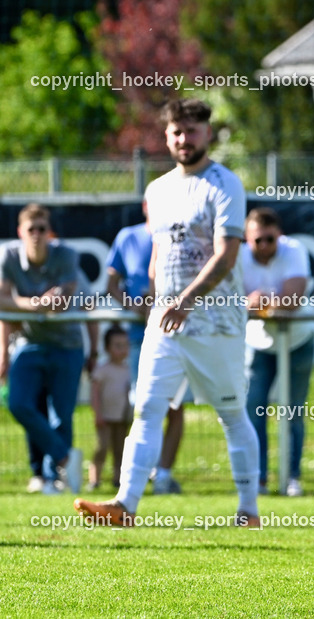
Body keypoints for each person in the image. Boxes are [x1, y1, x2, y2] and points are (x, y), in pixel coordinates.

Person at [74, 97, 261, 528]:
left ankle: (248, 510)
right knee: (147, 410)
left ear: (207, 134)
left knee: (231, 414)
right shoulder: (157, 190)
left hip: (216, 322)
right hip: (166, 322)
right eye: (176, 131)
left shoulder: (224, 184)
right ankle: (125, 505)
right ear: (166, 136)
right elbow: (159, 255)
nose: (183, 138)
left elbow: (227, 256)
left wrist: (187, 300)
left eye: (192, 130)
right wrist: (156, 303)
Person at [0, 204, 85, 495]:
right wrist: (35, 304)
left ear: (49, 232)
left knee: (61, 414)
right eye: (31, 229)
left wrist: (31, 302)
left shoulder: (66, 254)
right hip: (29, 343)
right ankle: (64, 458)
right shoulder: (8, 256)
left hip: (67, 344)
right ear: (20, 232)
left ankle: (53, 480)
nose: (37, 235)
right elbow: (2, 301)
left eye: (42, 229)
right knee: (20, 404)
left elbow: (63, 300)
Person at [106, 202, 186, 495]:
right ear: (145, 206)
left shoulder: (183, 235)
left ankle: (163, 475)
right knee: (140, 407)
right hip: (139, 338)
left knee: (174, 406)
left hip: (176, 334)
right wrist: (133, 305)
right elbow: (112, 283)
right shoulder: (128, 237)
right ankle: (129, 478)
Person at [241, 207, 314, 497]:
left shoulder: (294, 249)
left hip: (297, 341)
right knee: (253, 409)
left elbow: (294, 299)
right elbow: (227, 298)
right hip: (259, 343)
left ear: (279, 236)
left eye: (269, 239)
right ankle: (258, 478)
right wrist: (257, 302)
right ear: (247, 239)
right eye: (257, 240)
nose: (263, 246)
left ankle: (291, 476)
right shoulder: (236, 256)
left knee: (292, 410)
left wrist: (261, 300)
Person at [88, 324, 133, 490]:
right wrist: (97, 413)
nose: (123, 350)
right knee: (102, 448)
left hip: (123, 418)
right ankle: (94, 479)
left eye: (125, 345)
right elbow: (95, 393)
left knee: (120, 450)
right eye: (118, 346)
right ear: (107, 348)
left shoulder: (130, 370)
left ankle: (118, 479)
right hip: (105, 418)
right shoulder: (102, 370)